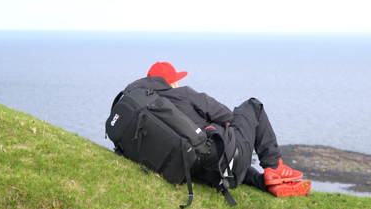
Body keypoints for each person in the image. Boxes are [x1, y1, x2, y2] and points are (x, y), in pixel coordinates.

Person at [125, 61, 311, 198]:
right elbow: (227, 116)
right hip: (224, 161)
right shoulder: (184, 93)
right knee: (252, 106)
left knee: (229, 160)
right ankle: (274, 166)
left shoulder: (150, 112)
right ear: (172, 83)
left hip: (201, 172)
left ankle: (269, 185)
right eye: (177, 81)